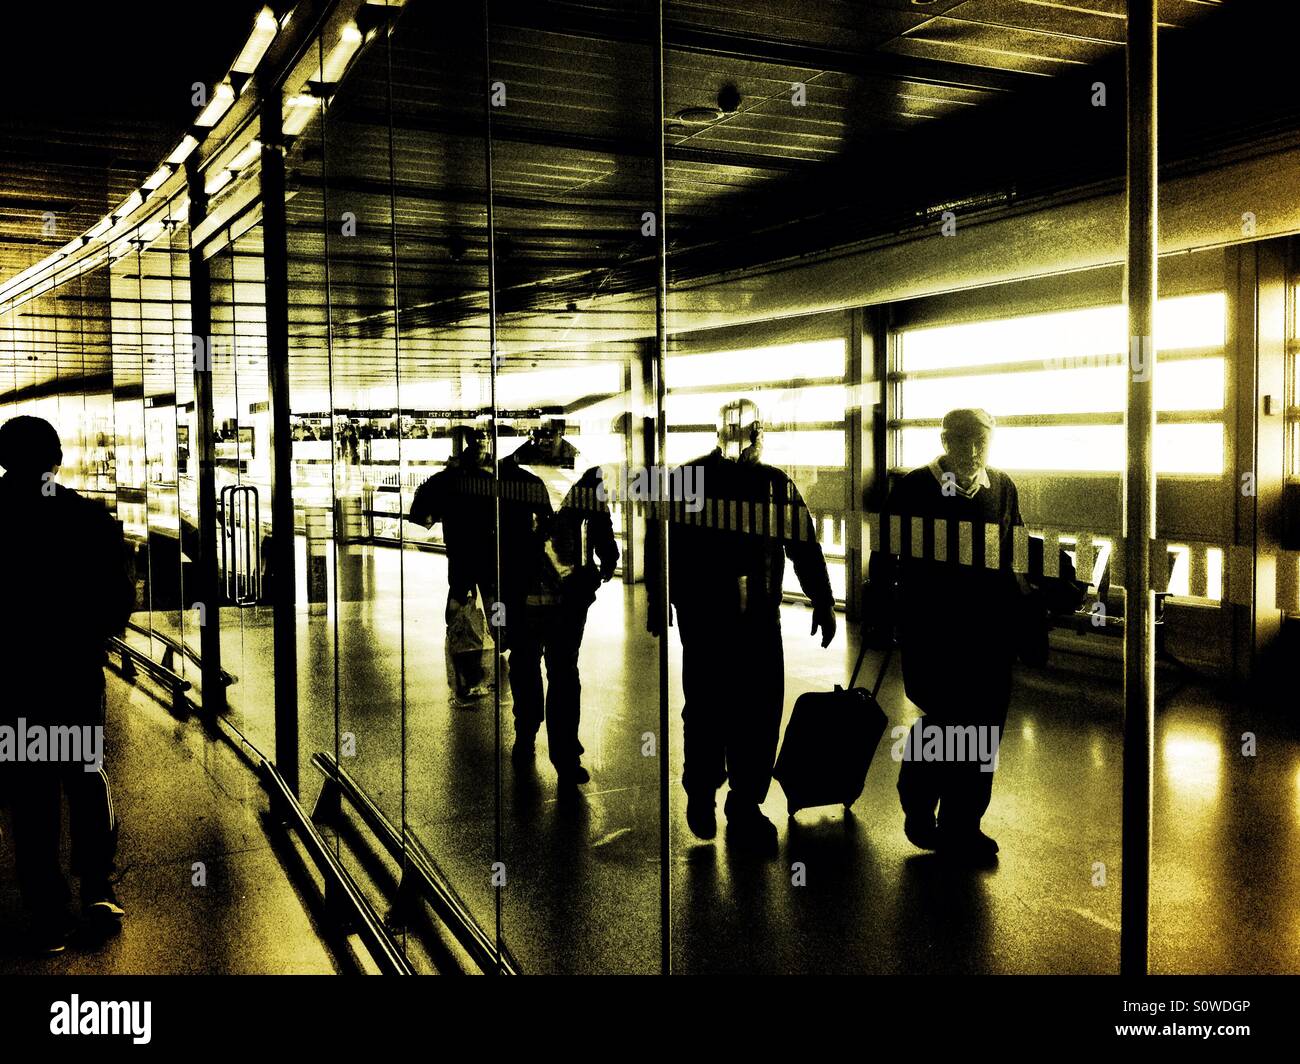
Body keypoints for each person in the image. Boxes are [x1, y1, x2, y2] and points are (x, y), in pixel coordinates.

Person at [668, 399, 836, 855]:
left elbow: (672, 549)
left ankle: (709, 795)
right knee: (749, 710)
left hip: (710, 618)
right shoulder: (773, 483)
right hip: (748, 619)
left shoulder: (691, 477)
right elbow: (803, 545)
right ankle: (738, 801)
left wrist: (665, 601)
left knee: (713, 708)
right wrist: (821, 599)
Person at [0, 416, 135, 953]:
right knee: (84, 777)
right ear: (57, 457)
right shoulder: (89, 519)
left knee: (30, 793)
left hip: (13, 678)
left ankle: (46, 911)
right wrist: (91, 636)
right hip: (73, 674)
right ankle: (98, 889)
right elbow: (117, 600)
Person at [867, 407, 1023, 864]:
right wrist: (883, 613)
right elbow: (885, 554)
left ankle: (963, 823)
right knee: (950, 718)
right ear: (944, 440)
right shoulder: (915, 488)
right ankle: (918, 802)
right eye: (962, 441)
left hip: (988, 633)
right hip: (933, 630)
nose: (973, 452)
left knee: (984, 729)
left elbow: (1012, 550)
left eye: (981, 442)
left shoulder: (1003, 489)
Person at [503, 418, 618, 789]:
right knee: (533, 665)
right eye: (542, 430)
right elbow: (500, 531)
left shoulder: (583, 472)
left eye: (552, 429)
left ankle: (561, 750)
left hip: (561, 592)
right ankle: (531, 731)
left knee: (558, 669)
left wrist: (607, 555)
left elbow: (598, 518)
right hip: (531, 590)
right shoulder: (513, 471)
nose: (547, 437)